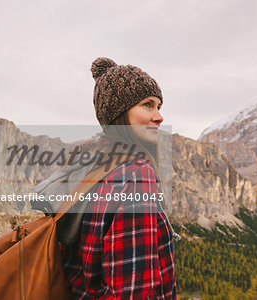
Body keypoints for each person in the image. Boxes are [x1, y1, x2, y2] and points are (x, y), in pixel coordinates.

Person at [58, 57, 178, 299]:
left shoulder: (90, 160)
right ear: (120, 112)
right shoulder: (135, 174)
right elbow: (132, 290)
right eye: (148, 105)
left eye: (159, 106)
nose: (159, 117)